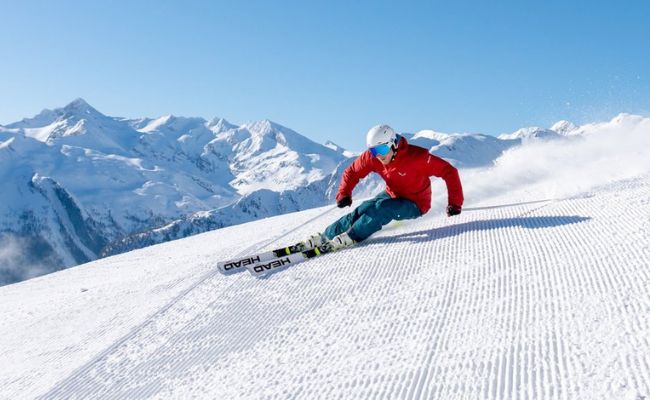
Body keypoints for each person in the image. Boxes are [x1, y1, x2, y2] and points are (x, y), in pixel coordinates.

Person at [306, 124, 464, 251]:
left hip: (416, 203)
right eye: (374, 151)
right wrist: (344, 193)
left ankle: (352, 236)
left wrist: (455, 204)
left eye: (382, 149)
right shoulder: (373, 157)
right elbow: (352, 172)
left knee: (382, 208)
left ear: (393, 144)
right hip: (392, 194)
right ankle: (326, 236)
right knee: (362, 209)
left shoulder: (417, 158)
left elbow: (449, 171)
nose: (379, 156)